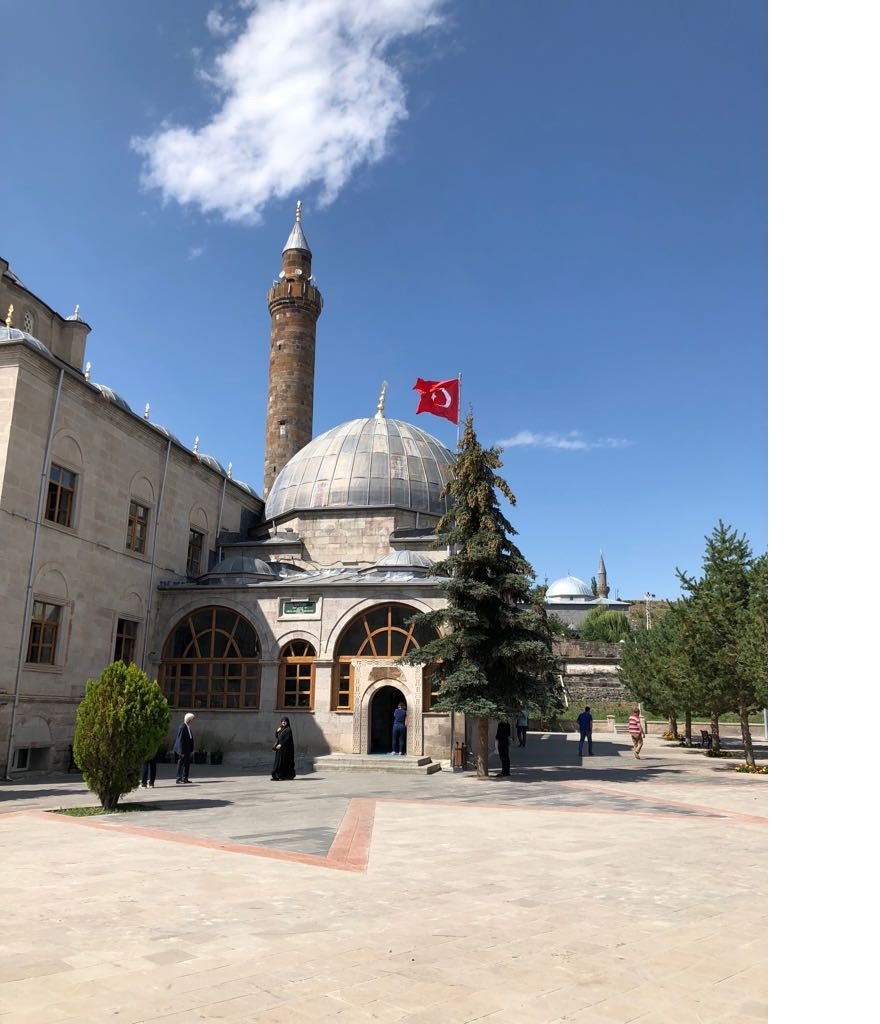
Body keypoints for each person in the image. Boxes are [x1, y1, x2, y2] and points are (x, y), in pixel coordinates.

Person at [173, 712, 195, 784]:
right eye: (192, 719)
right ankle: (178, 778)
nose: (192, 721)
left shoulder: (188, 727)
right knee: (181, 764)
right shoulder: (182, 727)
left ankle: (185, 778)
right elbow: (180, 740)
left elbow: (190, 738)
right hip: (183, 749)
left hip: (187, 749)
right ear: (189, 720)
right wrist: (181, 751)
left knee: (187, 764)